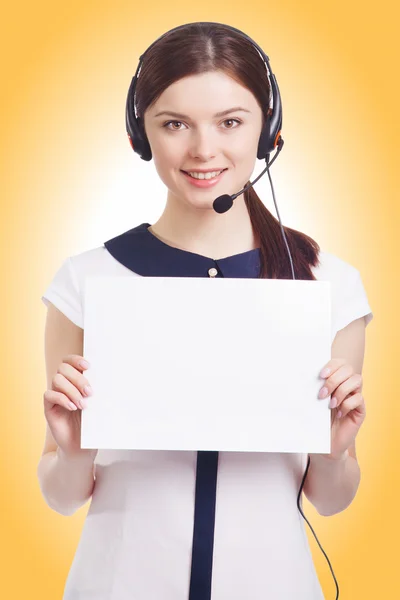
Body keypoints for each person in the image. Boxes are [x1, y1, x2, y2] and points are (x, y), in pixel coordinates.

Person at [37, 21, 373, 600]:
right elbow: (63, 495)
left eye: (231, 122)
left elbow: (330, 498)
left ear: (268, 132)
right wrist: (72, 449)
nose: (203, 150)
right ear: (139, 135)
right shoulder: (87, 281)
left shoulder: (326, 285)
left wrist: (336, 449)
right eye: (174, 124)